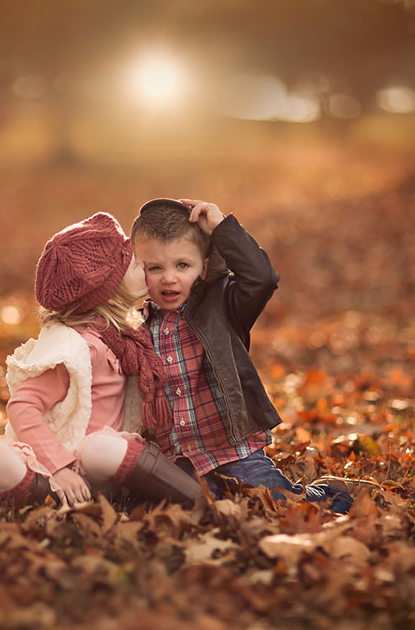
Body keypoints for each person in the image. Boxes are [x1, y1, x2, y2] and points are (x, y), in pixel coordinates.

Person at [131, 198, 353, 514]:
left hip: (234, 451)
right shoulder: (135, 328)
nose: (169, 278)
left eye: (182, 265)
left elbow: (262, 279)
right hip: (178, 459)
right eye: (155, 268)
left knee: (276, 502)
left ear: (203, 266)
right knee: (191, 510)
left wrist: (222, 229)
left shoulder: (222, 305)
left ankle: (331, 495)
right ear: (139, 270)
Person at [0, 212, 202, 508]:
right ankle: (53, 496)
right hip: (57, 461)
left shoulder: (127, 337)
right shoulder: (77, 348)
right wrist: (60, 468)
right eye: (134, 264)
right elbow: (22, 406)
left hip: (102, 464)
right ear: (108, 290)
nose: (144, 264)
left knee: (99, 448)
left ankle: (196, 498)